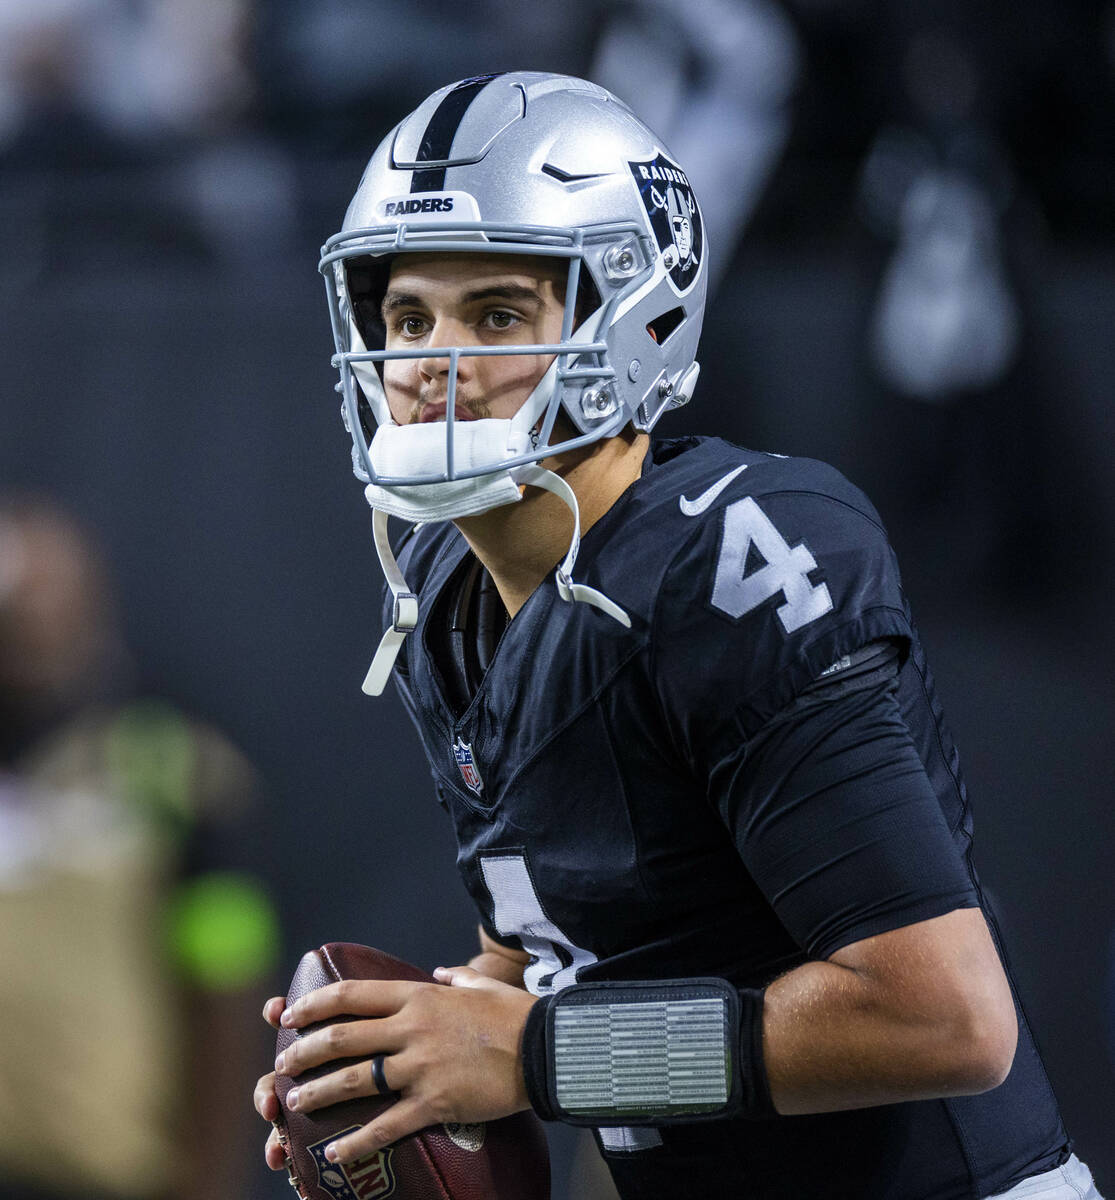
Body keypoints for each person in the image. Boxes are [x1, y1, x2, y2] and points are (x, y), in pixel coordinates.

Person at [253, 72, 1102, 1199]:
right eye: (407, 316)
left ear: (633, 319)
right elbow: (575, 936)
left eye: (496, 313)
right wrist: (425, 1051)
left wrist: (523, 1055)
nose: (425, 367)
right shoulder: (444, 587)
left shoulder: (733, 557)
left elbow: (941, 1019)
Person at [0, 495, 279, 1200]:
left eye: (42, 604)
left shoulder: (172, 771)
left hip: (100, 1165)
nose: (25, 627)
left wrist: (209, 1176)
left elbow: (226, 973)